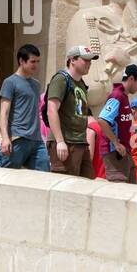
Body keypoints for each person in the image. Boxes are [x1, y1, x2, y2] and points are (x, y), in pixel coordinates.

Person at [0, 44, 49, 172]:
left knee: (44, 176)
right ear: (21, 61)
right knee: (8, 176)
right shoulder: (10, 82)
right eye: (32, 61)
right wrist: (5, 138)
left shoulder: (36, 84)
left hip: (37, 140)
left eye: (38, 61)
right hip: (17, 138)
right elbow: (4, 112)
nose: (36, 65)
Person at [47, 46, 96, 177]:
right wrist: (60, 141)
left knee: (87, 184)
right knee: (64, 186)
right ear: (72, 60)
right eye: (85, 60)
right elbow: (51, 110)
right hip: (66, 142)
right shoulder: (61, 79)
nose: (89, 63)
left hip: (80, 142)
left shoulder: (81, 84)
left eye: (90, 60)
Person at [94, 64, 137, 184]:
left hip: (123, 152)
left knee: (130, 183)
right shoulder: (117, 96)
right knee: (119, 188)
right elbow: (102, 120)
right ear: (131, 79)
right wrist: (116, 143)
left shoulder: (123, 96)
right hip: (115, 152)